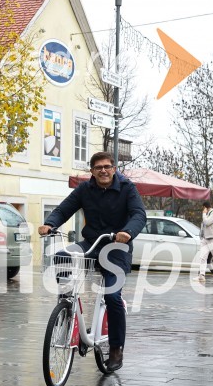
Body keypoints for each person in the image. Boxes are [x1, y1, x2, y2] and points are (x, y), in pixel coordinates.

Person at [37, 151, 146, 372]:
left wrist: (127, 232)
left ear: (114, 169)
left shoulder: (127, 188)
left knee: (112, 296)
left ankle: (116, 349)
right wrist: (50, 224)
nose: (103, 171)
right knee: (62, 255)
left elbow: (139, 214)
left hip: (117, 248)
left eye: (107, 167)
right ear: (92, 171)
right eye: (98, 168)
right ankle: (67, 305)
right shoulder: (85, 189)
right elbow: (63, 209)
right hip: (91, 243)